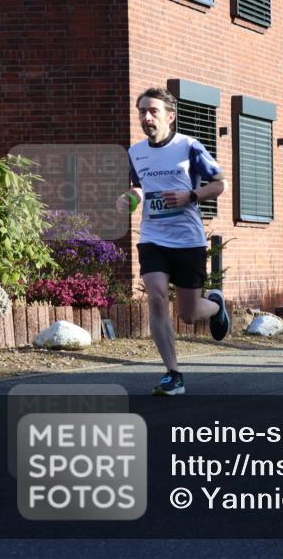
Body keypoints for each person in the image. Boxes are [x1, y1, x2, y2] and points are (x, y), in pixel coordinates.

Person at [117, 88, 232, 396]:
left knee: (189, 314)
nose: (146, 116)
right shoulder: (136, 152)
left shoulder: (189, 147)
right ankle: (173, 373)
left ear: (170, 115)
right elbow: (140, 187)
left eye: (153, 111)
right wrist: (130, 198)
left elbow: (220, 184)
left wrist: (190, 195)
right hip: (154, 237)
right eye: (141, 111)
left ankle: (215, 306)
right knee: (155, 297)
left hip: (188, 240)